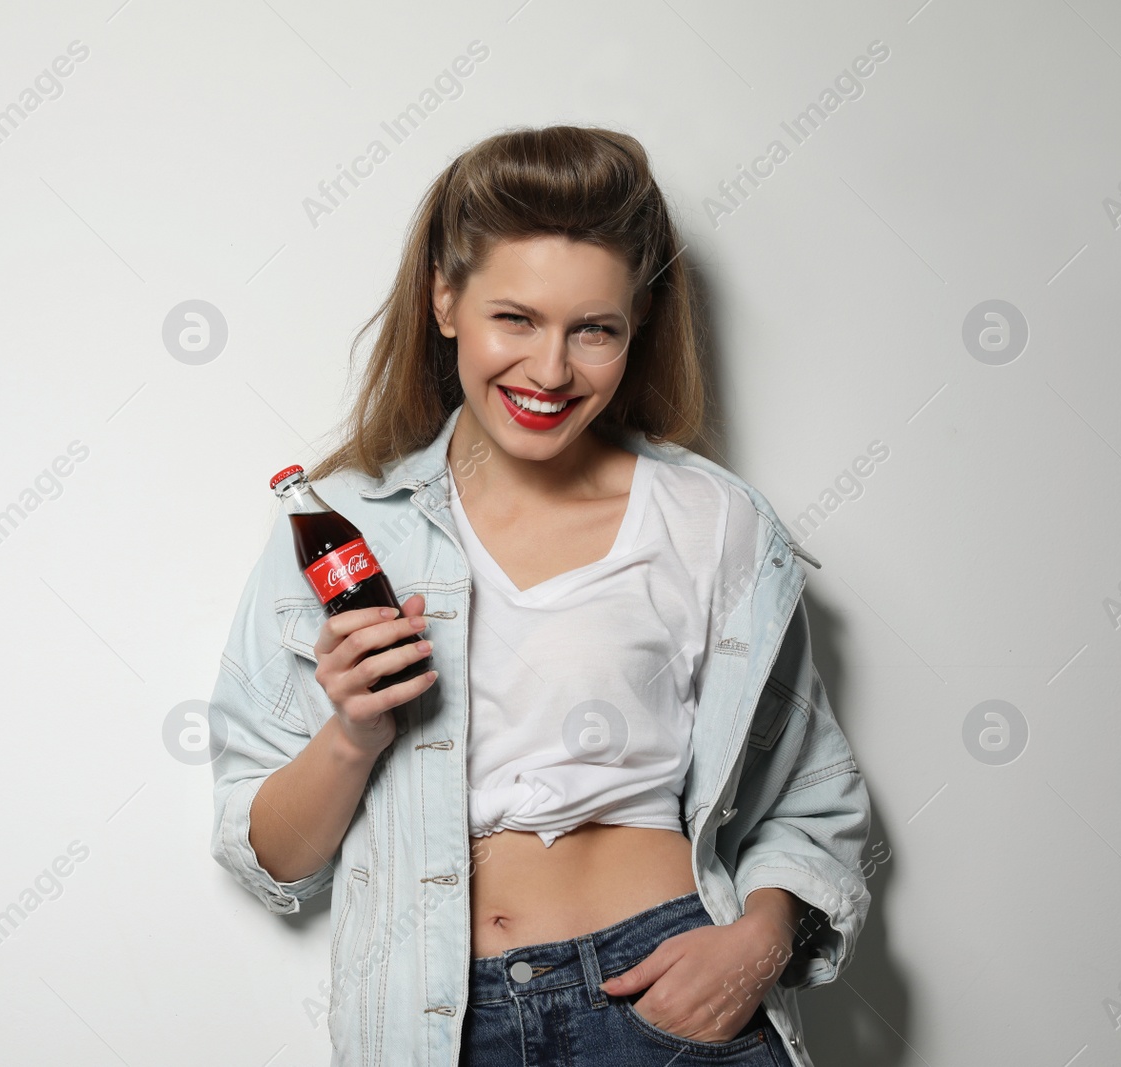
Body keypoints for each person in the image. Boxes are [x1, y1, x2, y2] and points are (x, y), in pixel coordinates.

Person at [208, 124, 872, 1067]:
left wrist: (754, 947)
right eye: (514, 319)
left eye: (593, 329)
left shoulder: (712, 522)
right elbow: (272, 859)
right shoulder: (346, 532)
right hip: (440, 1025)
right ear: (445, 300)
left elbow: (809, 799)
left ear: (635, 327)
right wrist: (351, 733)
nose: (550, 371)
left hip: (670, 999)